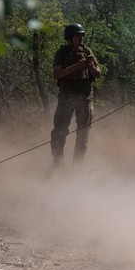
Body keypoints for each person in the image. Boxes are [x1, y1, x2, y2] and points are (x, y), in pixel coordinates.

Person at [50, 23, 102, 165]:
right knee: (60, 130)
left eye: (82, 35)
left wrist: (91, 67)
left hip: (85, 97)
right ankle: (58, 161)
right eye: (78, 35)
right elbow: (57, 74)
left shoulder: (87, 51)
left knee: (83, 133)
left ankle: (77, 166)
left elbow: (98, 74)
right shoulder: (62, 53)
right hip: (67, 96)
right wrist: (76, 67)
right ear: (70, 37)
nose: (81, 38)